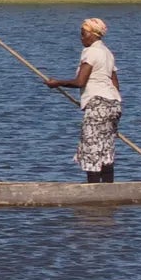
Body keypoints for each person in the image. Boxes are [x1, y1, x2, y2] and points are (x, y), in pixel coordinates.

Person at [45, 16, 121, 183]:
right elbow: (114, 82)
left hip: (98, 105)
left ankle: (93, 190)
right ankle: (109, 190)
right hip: (113, 105)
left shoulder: (92, 51)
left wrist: (57, 83)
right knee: (105, 149)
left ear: (94, 34)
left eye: (83, 34)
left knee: (92, 150)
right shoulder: (107, 53)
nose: (81, 38)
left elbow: (80, 82)